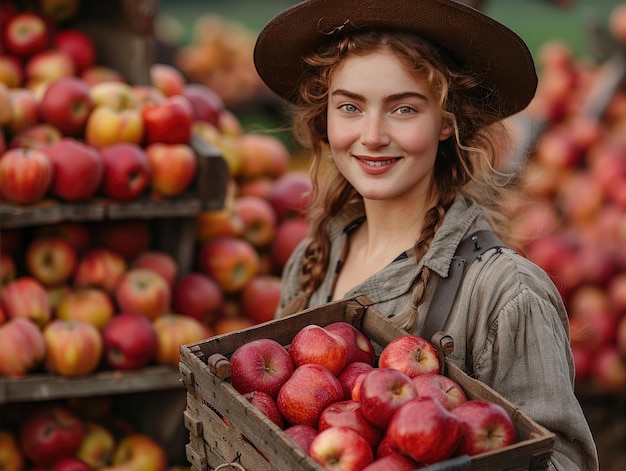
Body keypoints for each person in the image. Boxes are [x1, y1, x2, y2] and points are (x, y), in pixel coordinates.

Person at [252, 1, 598, 469]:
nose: (372, 135)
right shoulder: (313, 259)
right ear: (325, 117)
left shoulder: (505, 293)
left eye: (403, 109)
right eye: (350, 106)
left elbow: (562, 461)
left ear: (447, 122)